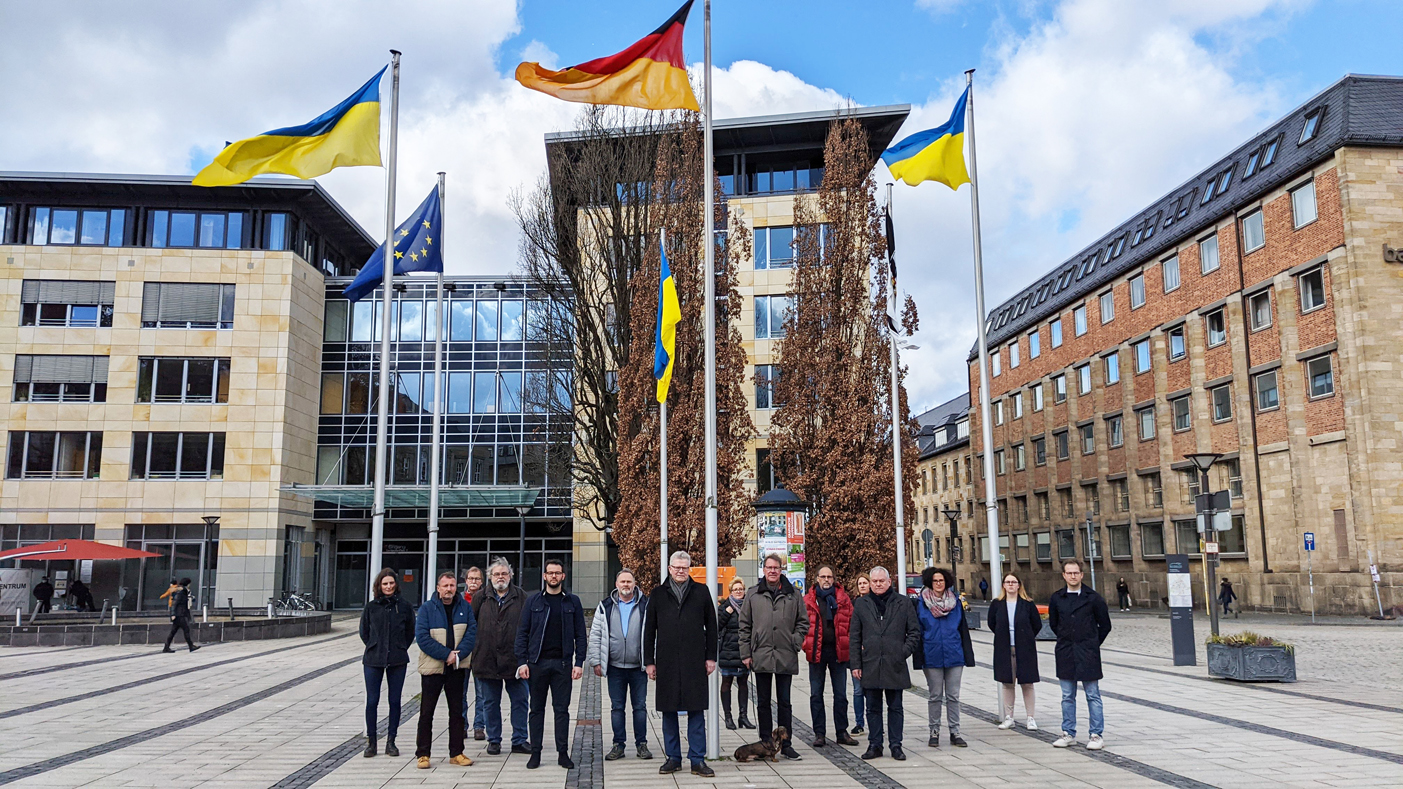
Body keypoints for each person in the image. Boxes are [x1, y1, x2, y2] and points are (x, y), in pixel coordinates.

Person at [643, 551, 718, 778]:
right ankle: (673, 758)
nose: (680, 571)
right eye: (676, 567)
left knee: (696, 710)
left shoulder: (701, 592)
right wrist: (649, 662)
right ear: (669, 568)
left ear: (689, 569)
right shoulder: (657, 594)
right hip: (666, 661)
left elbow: (712, 627)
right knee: (668, 710)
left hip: (694, 660)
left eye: (684, 567)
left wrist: (711, 657)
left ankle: (697, 760)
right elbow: (649, 631)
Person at [515, 558, 586, 770]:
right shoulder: (533, 601)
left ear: (563, 576)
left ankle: (562, 753)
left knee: (561, 710)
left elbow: (581, 635)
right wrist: (522, 662)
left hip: (563, 665)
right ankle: (535, 753)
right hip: (537, 664)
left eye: (557, 573)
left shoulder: (572, 602)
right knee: (536, 710)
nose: (553, 576)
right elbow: (522, 633)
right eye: (550, 573)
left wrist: (579, 662)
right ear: (544, 576)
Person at [739, 553, 808, 761]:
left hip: (785, 654)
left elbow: (803, 622)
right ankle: (766, 743)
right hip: (761, 654)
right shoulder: (753, 594)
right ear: (764, 569)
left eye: (776, 568)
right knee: (762, 701)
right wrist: (746, 653)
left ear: (781, 570)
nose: (772, 571)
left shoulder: (793, 594)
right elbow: (744, 626)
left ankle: (786, 744)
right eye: (769, 567)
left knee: (785, 702)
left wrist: (795, 641)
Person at [850, 566, 920, 761]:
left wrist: (902, 652)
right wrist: (855, 664)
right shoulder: (861, 604)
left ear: (889, 582)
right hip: (870, 663)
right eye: (875, 581)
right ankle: (875, 744)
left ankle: (896, 745)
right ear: (870, 583)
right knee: (872, 707)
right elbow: (854, 636)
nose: (878, 584)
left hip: (894, 663)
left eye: (882, 581)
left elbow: (914, 632)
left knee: (895, 707)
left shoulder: (903, 603)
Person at [587, 568, 652, 761]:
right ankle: (618, 745)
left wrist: (651, 661)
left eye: (629, 582)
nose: (626, 585)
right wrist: (596, 661)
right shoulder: (605, 606)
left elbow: (652, 635)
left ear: (634, 584)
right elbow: (596, 635)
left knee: (640, 707)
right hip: (614, 667)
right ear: (616, 585)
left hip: (638, 667)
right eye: (622, 581)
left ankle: (642, 744)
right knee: (617, 708)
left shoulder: (645, 605)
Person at [414, 571, 477, 769]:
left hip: (457, 668)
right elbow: (422, 638)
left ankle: (456, 752)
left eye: (452, 586)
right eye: (445, 586)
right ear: (438, 588)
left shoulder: (464, 607)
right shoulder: (426, 609)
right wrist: (446, 654)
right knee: (426, 712)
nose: (449, 589)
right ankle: (423, 754)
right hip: (433, 668)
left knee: (457, 712)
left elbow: (471, 633)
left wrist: (458, 655)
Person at [1048, 560, 1112, 750]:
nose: (1073, 576)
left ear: (1082, 575)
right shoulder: (1057, 598)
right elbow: (1054, 623)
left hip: (1088, 652)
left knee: (1093, 694)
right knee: (1067, 695)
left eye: (1076, 573)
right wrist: (1065, 639)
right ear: (1064, 575)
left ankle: (1096, 734)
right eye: (1069, 573)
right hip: (1066, 651)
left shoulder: (1093, 598)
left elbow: (1105, 625)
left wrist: (1092, 643)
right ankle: (1068, 732)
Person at [471, 558, 531, 756]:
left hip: (515, 660)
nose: (500, 578)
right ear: (490, 577)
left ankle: (520, 740)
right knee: (490, 703)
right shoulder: (481, 597)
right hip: (487, 659)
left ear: (510, 576)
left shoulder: (521, 597)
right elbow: (471, 627)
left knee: (521, 701)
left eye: (504, 574)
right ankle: (494, 740)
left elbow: (529, 627)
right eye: (496, 574)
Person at [916, 567, 975, 748]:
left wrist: (967, 655)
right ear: (929, 583)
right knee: (935, 695)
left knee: (953, 696)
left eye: (941, 580)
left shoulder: (955, 603)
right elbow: (918, 630)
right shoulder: (921, 603)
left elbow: (962, 629)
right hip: (932, 654)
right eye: (935, 581)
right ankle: (934, 731)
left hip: (954, 654)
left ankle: (955, 731)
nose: (939, 584)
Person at [361, 568, 416, 758]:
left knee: (394, 701)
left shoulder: (405, 606)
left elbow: (410, 631)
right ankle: (372, 742)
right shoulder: (371, 607)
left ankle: (391, 741)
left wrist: (400, 646)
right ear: (379, 586)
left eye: (391, 583)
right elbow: (364, 632)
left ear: (396, 584)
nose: (389, 587)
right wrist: (374, 646)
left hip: (397, 659)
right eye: (385, 584)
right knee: (372, 701)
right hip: (373, 660)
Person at [803, 565, 858, 748]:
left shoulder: (843, 599)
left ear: (834, 579)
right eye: (823, 576)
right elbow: (801, 625)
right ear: (816, 578)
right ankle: (819, 733)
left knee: (841, 694)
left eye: (829, 577)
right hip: (816, 652)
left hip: (838, 651)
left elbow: (852, 623)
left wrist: (848, 643)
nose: (826, 580)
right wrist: (805, 644)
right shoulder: (808, 600)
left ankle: (842, 731)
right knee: (816, 695)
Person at [987, 572, 1042, 731]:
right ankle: (1009, 716)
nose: (1011, 585)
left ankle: (1030, 717)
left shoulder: (1027, 604)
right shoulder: (997, 604)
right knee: (1007, 683)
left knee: (1027, 683)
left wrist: (1026, 636)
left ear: (1019, 585)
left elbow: (1036, 624)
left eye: (1014, 582)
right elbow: (992, 623)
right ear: (1003, 585)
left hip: (1024, 648)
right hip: (1004, 648)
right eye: (1007, 582)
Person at [717, 577, 753, 730]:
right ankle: (728, 716)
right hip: (728, 650)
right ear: (730, 591)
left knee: (743, 683)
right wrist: (727, 612)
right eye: (735, 589)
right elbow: (717, 625)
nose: (739, 592)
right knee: (726, 682)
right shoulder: (724, 606)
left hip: (743, 650)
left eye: (741, 589)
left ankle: (743, 716)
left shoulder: (749, 606)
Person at [460, 566, 488, 741]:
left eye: (477, 579)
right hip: (462, 650)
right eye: (471, 578)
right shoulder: (459, 599)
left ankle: (479, 726)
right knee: (460, 691)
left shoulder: (487, 599)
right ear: (465, 581)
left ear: (482, 581)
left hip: (481, 650)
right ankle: (462, 725)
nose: (474, 582)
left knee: (481, 692)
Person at [850, 573, 871, 735]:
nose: (863, 586)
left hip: (871, 653)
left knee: (871, 690)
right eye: (860, 583)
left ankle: (873, 720)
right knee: (857, 690)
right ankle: (859, 722)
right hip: (857, 653)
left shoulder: (875, 603)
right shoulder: (854, 604)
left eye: (865, 583)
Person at [161, 578, 199, 653]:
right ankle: (191, 646)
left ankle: (166, 647)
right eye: (189, 584)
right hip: (180, 614)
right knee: (186, 630)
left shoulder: (183, 591)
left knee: (173, 631)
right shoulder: (181, 592)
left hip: (180, 614)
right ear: (187, 584)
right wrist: (173, 614)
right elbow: (175, 603)